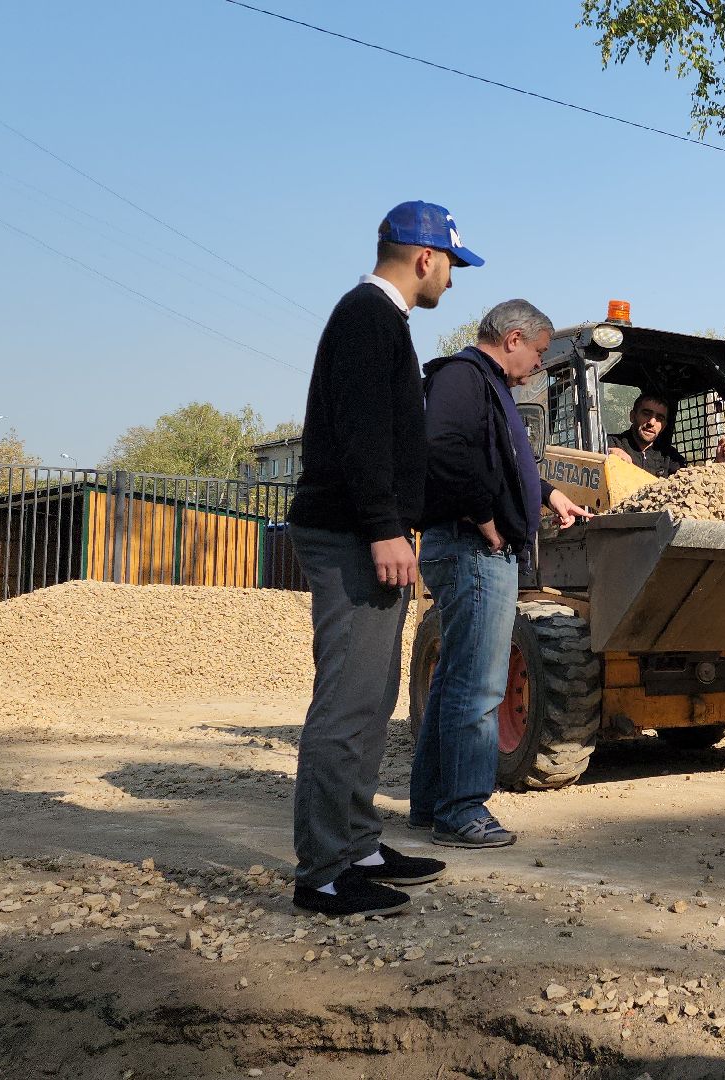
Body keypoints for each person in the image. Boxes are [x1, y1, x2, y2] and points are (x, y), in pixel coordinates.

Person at [286, 201, 480, 918]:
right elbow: (364, 435)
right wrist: (383, 527)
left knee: (373, 699)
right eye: (453, 266)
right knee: (348, 701)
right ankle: (324, 873)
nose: (453, 283)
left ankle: (358, 844)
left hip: (365, 532)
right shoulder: (368, 316)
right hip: (350, 536)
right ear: (423, 256)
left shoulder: (380, 321)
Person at [416, 300, 593, 848]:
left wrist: (550, 494)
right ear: (513, 338)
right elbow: (443, 449)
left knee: (452, 681)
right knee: (479, 685)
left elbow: (505, 465)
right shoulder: (463, 379)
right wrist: (485, 519)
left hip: (476, 547)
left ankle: (433, 803)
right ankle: (462, 810)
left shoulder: (489, 387)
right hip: (472, 549)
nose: (540, 365)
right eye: (539, 352)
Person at [607, 392, 686, 477]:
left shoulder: (670, 457)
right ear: (632, 416)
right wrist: (607, 452)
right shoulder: (609, 443)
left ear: (663, 426)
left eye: (659, 418)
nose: (652, 422)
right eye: (646, 413)